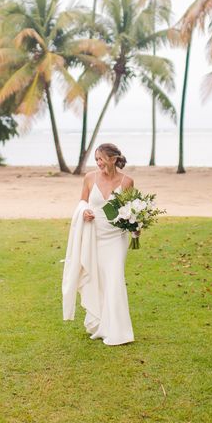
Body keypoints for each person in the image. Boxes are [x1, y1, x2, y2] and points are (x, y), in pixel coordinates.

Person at [62, 143, 135, 346]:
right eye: (96, 160)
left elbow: (130, 210)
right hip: (93, 235)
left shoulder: (127, 182)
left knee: (114, 278)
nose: (98, 163)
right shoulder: (89, 178)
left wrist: (136, 227)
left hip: (115, 238)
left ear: (113, 159)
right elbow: (82, 201)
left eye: (101, 159)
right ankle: (100, 324)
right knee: (97, 279)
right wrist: (84, 211)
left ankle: (119, 331)